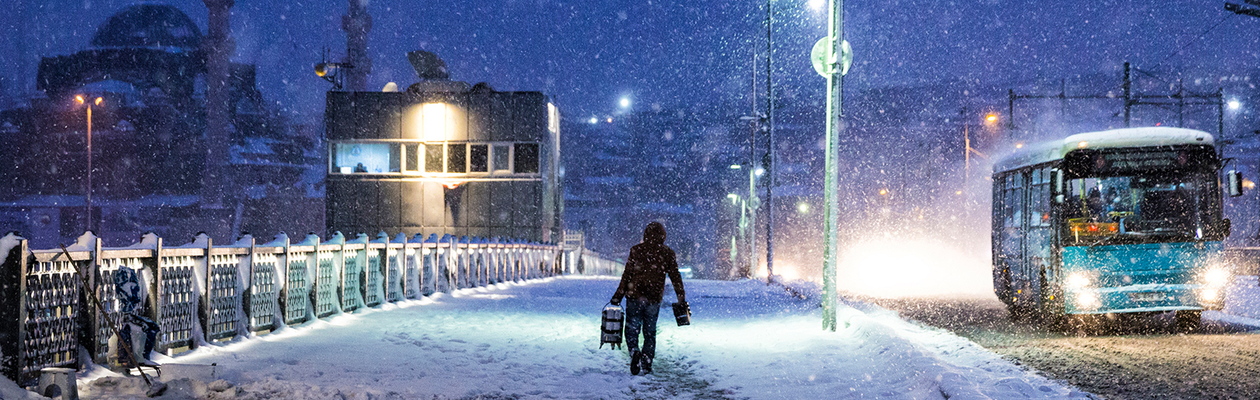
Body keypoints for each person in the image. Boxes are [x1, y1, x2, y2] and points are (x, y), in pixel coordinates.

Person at [610, 222, 686, 375]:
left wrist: (618, 295)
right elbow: (675, 276)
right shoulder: (667, 253)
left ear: (645, 235)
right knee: (650, 331)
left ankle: (634, 351)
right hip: (654, 298)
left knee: (632, 329)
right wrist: (681, 296)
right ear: (663, 236)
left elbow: (627, 275)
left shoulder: (636, 250)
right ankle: (647, 359)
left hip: (634, 295)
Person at [114, 266, 161, 369]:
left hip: (129, 315)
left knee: (150, 327)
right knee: (138, 330)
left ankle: (142, 356)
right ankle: (134, 357)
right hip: (125, 316)